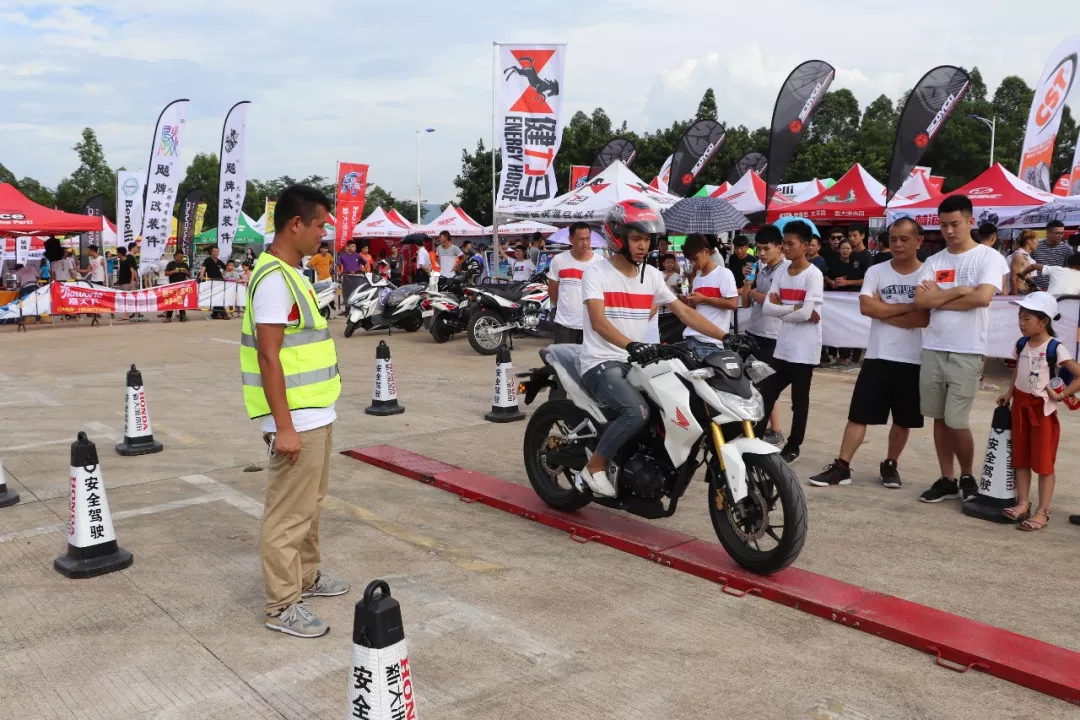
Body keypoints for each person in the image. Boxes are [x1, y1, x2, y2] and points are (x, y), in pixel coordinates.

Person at [239, 184, 348, 638]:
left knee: (310, 507)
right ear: (295, 224)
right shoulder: (273, 280)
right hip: (296, 420)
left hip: (315, 413)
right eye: (321, 223)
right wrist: (283, 426)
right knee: (288, 515)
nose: (326, 232)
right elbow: (269, 356)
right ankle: (283, 604)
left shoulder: (293, 273)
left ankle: (307, 576)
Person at [574, 200, 729, 497]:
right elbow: (598, 323)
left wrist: (726, 336)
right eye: (636, 239)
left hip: (635, 361)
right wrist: (632, 344)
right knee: (637, 411)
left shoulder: (652, 276)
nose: (643, 246)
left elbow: (686, 313)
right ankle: (594, 466)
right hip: (601, 361)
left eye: (647, 239)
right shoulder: (597, 273)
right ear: (617, 238)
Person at [809, 218, 929, 488]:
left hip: (913, 358)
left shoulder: (927, 274)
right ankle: (842, 466)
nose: (897, 244)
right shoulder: (877, 271)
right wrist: (908, 308)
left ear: (919, 240)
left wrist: (885, 310)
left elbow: (924, 318)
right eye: (893, 238)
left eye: (904, 239)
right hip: (877, 355)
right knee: (859, 414)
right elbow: (867, 308)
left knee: (903, 419)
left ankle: (890, 464)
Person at [913, 195, 1010, 503]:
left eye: (955, 224)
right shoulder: (934, 261)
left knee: (957, 420)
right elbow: (921, 301)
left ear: (970, 221)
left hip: (967, 349)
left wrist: (941, 297)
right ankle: (947, 478)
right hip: (933, 348)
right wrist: (958, 291)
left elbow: (982, 298)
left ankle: (967, 474)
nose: (949, 231)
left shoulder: (988, 257)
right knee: (938, 418)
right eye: (943, 225)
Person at [997, 293, 1080, 531]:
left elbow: (1078, 375)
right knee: (1021, 458)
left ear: (1044, 322)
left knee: (1044, 463)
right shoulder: (1021, 344)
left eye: (1027, 318)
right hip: (1020, 408)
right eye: (1020, 317)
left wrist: (1061, 395)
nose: (1021, 323)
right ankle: (1023, 503)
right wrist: (1009, 393)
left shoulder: (1055, 347)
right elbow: (1018, 372)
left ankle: (1043, 510)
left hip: (1042, 411)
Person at [753, 220, 825, 465]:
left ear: (806, 246)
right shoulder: (782, 272)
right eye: (784, 243)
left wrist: (783, 308)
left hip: (804, 350)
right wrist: (795, 307)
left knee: (799, 401)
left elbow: (806, 314)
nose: (786, 248)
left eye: (791, 244)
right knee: (768, 394)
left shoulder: (814, 275)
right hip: (783, 347)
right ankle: (754, 438)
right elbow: (767, 307)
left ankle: (794, 445)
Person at [739, 225, 787, 446]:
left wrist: (757, 294)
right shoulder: (759, 267)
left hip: (772, 335)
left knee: (766, 386)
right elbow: (747, 302)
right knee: (753, 384)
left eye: (766, 249)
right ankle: (766, 427)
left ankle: (772, 430)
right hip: (752, 331)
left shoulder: (786, 270)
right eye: (758, 249)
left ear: (780, 247)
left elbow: (772, 302)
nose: (761, 254)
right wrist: (748, 280)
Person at [680, 234, 739, 359]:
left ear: (706, 252)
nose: (693, 263)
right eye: (690, 260)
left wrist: (703, 299)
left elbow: (733, 304)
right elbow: (697, 310)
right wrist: (689, 303)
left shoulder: (724, 274)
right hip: (692, 337)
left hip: (712, 342)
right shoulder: (697, 279)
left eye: (695, 258)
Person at [546, 221, 602, 344]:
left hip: (591, 325)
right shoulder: (559, 260)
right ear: (571, 239)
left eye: (588, 239)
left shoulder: (600, 263)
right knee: (563, 361)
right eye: (581, 239)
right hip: (564, 324)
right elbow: (552, 289)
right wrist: (563, 307)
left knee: (588, 362)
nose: (585, 243)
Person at [1029, 220, 1071, 291]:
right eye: (1057, 233)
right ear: (1048, 233)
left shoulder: (1066, 249)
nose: (1060, 236)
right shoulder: (1036, 246)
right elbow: (1028, 267)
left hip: (1057, 290)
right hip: (1036, 289)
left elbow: (1069, 271)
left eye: (1062, 233)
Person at [200, 245, 227, 320]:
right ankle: (224, 313)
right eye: (214, 251)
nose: (216, 253)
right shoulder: (207, 260)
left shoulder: (219, 261)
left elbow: (225, 269)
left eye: (217, 251)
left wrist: (225, 272)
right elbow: (203, 268)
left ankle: (215, 313)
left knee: (218, 297)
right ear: (211, 252)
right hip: (212, 282)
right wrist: (202, 274)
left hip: (220, 281)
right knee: (217, 297)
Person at [1009, 230, 1039, 295]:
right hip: (1019, 292)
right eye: (1036, 240)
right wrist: (1015, 296)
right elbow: (1013, 278)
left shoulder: (1028, 258)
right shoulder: (1019, 255)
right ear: (1029, 241)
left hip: (1027, 292)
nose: (1037, 243)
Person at [164, 250, 190, 322]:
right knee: (171, 301)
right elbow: (166, 273)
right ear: (175, 256)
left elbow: (189, 275)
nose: (180, 258)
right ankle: (168, 317)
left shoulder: (185, 265)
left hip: (182, 285)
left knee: (181, 301)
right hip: (173, 285)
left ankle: (182, 316)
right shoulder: (170, 264)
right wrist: (173, 271)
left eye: (181, 257)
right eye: (179, 257)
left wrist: (186, 272)